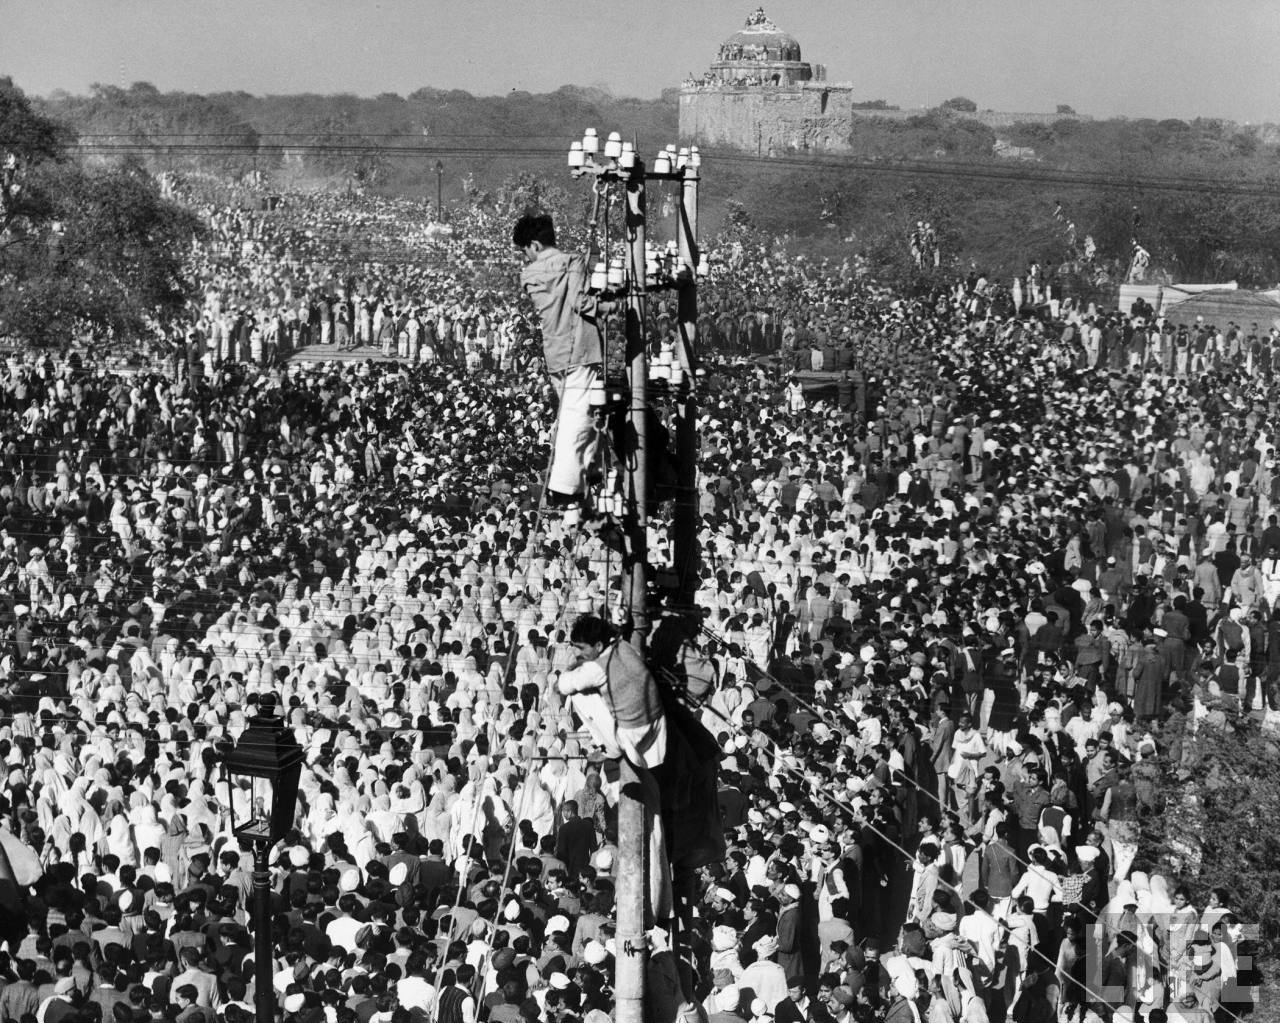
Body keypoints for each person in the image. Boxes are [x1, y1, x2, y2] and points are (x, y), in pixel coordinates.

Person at [513, 212, 604, 519]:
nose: (527, 257)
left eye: (525, 250)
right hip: (580, 349)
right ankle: (566, 486)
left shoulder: (530, 274)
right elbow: (581, 303)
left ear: (534, 245)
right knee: (581, 416)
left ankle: (586, 474)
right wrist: (612, 305)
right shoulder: (572, 262)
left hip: (555, 354)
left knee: (581, 413)